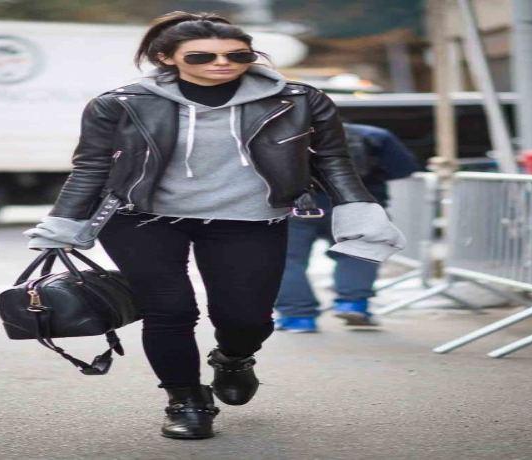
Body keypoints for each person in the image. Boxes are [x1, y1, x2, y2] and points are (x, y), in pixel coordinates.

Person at [23, 11, 405, 440]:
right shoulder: (120, 102)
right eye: (202, 56)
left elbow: (333, 159)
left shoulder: (298, 99)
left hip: (250, 217)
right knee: (168, 310)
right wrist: (62, 224)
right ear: (166, 57)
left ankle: (234, 357)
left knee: (246, 317)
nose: (222, 63)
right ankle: (185, 400)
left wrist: (358, 208)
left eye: (237, 54)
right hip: (139, 217)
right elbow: (91, 166)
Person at [274, 123, 420, 332]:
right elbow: (403, 168)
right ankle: (353, 304)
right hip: (359, 204)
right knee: (359, 254)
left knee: (288, 261)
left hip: (298, 206)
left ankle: (297, 317)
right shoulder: (374, 135)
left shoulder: (280, 136)